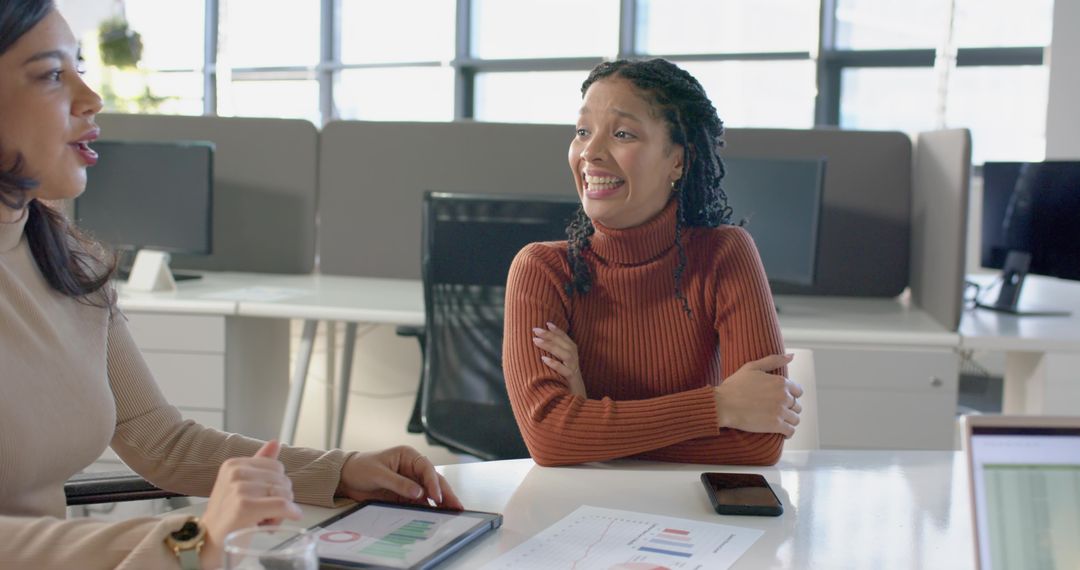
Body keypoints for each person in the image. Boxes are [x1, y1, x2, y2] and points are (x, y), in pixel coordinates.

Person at [0, 3, 461, 569]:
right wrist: (191, 538)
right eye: (51, 74)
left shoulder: (68, 260)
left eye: (80, 66)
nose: (90, 97)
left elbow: (158, 438)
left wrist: (341, 470)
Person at [503, 58, 804, 467]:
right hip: (576, 513)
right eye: (582, 132)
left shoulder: (725, 255)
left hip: (697, 517)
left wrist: (588, 419)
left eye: (622, 133)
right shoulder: (541, 270)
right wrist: (717, 407)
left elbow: (759, 445)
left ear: (677, 161)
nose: (590, 152)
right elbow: (548, 437)